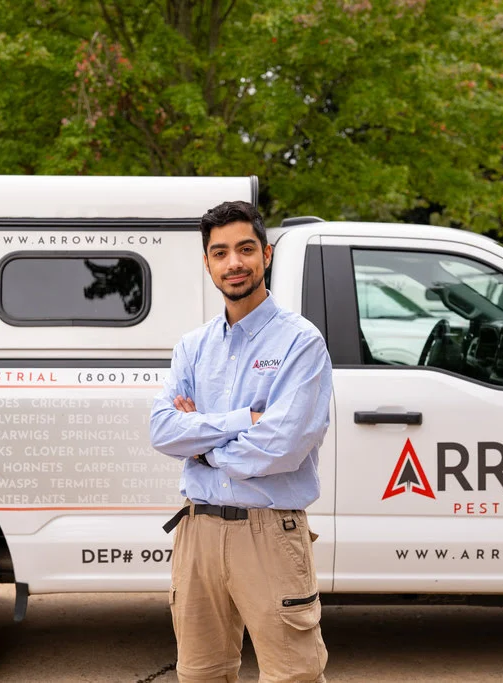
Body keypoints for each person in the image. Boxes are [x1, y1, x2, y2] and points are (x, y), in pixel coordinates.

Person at [149, 200, 332, 683]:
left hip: (269, 532)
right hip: (197, 533)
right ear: (207, 262)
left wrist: (202, 441)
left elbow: (282, 444)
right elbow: (163, 430)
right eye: (221, 252)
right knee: (200, 675)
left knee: (293, 675)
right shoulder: (192, 346)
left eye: (246, 249)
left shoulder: (300, 342)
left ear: (266, 255)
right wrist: (240, 420)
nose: (234, 263)